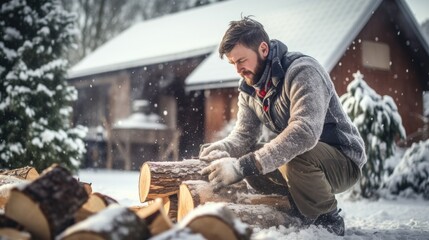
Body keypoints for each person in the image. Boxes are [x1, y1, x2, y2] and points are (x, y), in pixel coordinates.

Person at [200, 16, 366, 236]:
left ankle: (327, 218)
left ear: (263, 49)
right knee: (253, 151)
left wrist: (240, 167)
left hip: (343, 160)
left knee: (288, 154)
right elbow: (243, 136)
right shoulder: (250, 89)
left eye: (241, 60)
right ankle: (294, 206)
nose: (238, 70)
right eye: (233, 64)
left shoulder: (302, 71)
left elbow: (304, 133)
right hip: (305, 161)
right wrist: (222, 149)